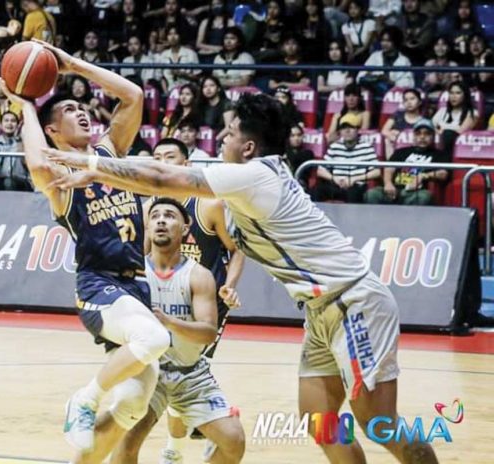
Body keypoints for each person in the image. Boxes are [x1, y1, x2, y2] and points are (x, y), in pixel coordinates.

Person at [45, 92, 440, 464]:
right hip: (321, 311)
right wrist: (99, 178)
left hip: (352, 302)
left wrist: (89, 164)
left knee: (376, 421)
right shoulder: (242, 186)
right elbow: (161, 187)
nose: (222, 137)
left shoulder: (254, 176)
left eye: (230, 132)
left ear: (249, 147)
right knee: (320, 419)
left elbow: (161, 178)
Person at [0, 39, 171, 463]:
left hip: (137, 290)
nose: (81, 112)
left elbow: (132, 95)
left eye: (83, 108)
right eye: (68, 112)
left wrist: (72, 64)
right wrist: (25, 106)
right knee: (154, 338)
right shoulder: (59, 174)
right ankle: (84, 398)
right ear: (53, 130)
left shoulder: (110, 155)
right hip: (98, 287)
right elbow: (38, 164)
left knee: (133, 406)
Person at [111, 197, 245, 464]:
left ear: (185, 229)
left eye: (170, 216)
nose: (161, 220)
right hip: (147, 370)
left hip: (191, 374)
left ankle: (175, 450)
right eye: (156, 216)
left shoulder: (199, 275)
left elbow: (208, 333)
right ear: (147, 227)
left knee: (234, 441)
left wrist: (169, 322)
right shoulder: (132, 274)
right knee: (125, 442)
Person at [147, 139, 245, 462]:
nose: (163, 162)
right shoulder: (152, 208)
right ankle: (182, 442)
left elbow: (237, 249)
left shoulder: (207, 205)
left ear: (186, 164)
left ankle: (182, 444)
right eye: (157, 157)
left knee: (187, 370)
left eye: (170, 157)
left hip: (204, 301)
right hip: (165, 296)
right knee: (168, 371)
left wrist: (229, 286)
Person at [366, 118, 449, 205]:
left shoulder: (439, 154)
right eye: (418, 133)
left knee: (424, 197)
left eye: (427, 134)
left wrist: (423, 176)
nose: (422, 137)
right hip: (394, 189)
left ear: (433, 136)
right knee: (372, 194)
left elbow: (443, 174)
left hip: (416, 192)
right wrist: (388, 183)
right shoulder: (401, 151)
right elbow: (389, 169)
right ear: (414, 136)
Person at [317, 113, 379, 203]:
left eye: (351, 127)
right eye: (344, 128)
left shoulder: (366, 147)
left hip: (356, 186)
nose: (347, 131)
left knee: (354, 194)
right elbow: (320, 170)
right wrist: (334, 178)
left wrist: (354, 179)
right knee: (317, 191)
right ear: (340, 131)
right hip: (336, 184)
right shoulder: (335, 147)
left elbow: (377, 172)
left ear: (358, 130)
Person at [0, 111, 32, 191]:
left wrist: (19, 140)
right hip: (2, 178)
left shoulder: (25, 141)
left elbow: (25, 162)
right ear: (0, 125)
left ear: (18, 125)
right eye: (6, 121)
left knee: (8, 182)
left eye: (13, 121)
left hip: (23, 179)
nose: (9, 124)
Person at [357, 27, 415, 94]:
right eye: (382, 40)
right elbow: (360, 76)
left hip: (394, 95)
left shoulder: (404, 60)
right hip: (372, 92)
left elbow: (409, 84)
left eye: (388, 41)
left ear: (396, 42)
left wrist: (390, 82)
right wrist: (374, 77)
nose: (384, 43)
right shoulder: (375, 56)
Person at [431, 81, 476, 157]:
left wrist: (442, 130)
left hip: (458, 148)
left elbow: (460, 131)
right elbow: (430, 127)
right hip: (438, 147)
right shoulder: (442, 111)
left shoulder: (473, 113)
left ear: (465, 95)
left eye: (458, 93)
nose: (453, 96)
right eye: (451, 93)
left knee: (448, 134)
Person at [381, 88, 423, 159]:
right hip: (396, 150)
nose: (409, 102)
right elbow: (384, 130)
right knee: (387, 140)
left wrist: (401, 135)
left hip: (414, 152)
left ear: (419, 102)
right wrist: (391, 135)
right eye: (406, 100)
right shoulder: (397, 115)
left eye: (412, 99)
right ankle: (391, 164)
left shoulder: (423, 121)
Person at [283, 124, 314, 190]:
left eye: (299, 135)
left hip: (301, 186)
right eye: (292, 136)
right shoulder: (283, 152)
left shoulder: (308, 153)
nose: (296, 138)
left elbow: (296, 160)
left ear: (303, 136)